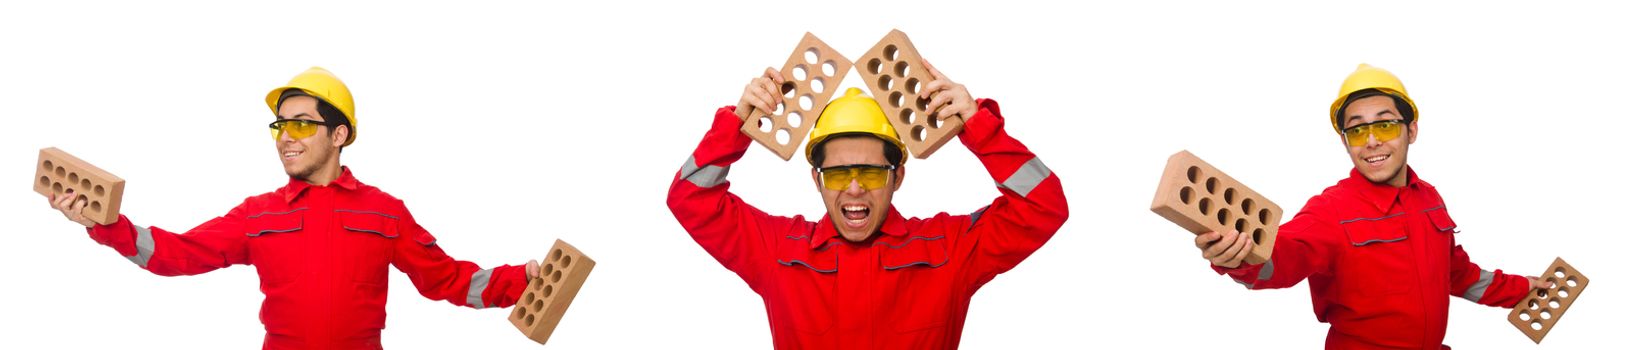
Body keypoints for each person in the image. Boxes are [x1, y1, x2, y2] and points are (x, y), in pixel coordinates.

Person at [48, 67, 541, 349]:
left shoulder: (386, 212)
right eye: (280, 126)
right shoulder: (258, 215)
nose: (286, 136)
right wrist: (106, 224)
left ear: (339, 134)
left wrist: (522, 281)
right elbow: (177, 254)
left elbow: (448, 280)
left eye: (303, 124)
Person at [666, 60, 1069, 349]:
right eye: (839, 174)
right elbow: (690, 198)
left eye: (872, 173)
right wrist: (738, 124)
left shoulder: (949, 250)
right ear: (817, 181)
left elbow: (1043, 206)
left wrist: (977, 125)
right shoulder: (779, 251)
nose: (855, 188)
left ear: (897, 177)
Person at [1195, 64, 1551, 349]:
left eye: (1384, 124)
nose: (1371, 141)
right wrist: (1240, 258)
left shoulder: (1428, 199)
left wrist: (1522, 289)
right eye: (1356, 130)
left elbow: (1456, 273)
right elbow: (1282, 258)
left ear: (1411, 130)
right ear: (1345, 141)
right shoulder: (1330, 209)